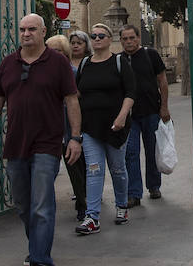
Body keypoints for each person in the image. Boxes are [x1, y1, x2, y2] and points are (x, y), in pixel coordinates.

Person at [0, 13, 81, 266]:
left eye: (31, 29)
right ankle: (37, 246)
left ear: (43, 32)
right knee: (22, 204)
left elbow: (71, 101)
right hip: (16, 144)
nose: (26, 34)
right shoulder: (9, 63)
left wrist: (75, 138)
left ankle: (42, 262)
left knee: (42, 204)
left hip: (47, 144)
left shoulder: (58, 63)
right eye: (22, 29)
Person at [73, 23, 136, 233]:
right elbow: (76, 94)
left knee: (117, 169)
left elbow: (130, 92)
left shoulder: (119, 62)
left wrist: (122, 116)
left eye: (101, 35)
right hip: (90, 127)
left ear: (110, 39)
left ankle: (122, 206)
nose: (97, 39)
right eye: (94, 36)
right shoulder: (85, 64)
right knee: (94, 170)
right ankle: (92, 217)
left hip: (116, 127)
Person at [120, 23, 170, 205]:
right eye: (125, 39)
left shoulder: (151, 55)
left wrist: (164, 107)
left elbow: (162, 81)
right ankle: (134, 193)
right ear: (121, 41)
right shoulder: (119, 60)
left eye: (132, 38)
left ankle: (154, 186)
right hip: (130, 116)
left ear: (138, 38)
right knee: (131, 153)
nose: (129, 42)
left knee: (152, 150)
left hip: (151, 112)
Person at [64, 30, 91, 219]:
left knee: (86, 157)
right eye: (72, 42)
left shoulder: (89, 64)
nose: (75, 46)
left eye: (79, 43)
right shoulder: (64, 65)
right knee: (72, 158)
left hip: (84, 115)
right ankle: (81, 192)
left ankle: (89, 192)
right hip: (65, 118)